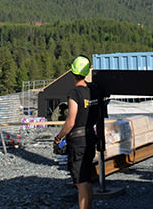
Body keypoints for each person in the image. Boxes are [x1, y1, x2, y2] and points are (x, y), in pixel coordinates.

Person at [54, 55, 99, 209]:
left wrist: (59, 137)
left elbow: (70, 121)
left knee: (81, 182)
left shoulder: (74, 93)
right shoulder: (93, 91)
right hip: (90, 138)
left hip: (78, 141)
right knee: (86, 178)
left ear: (72, 72)